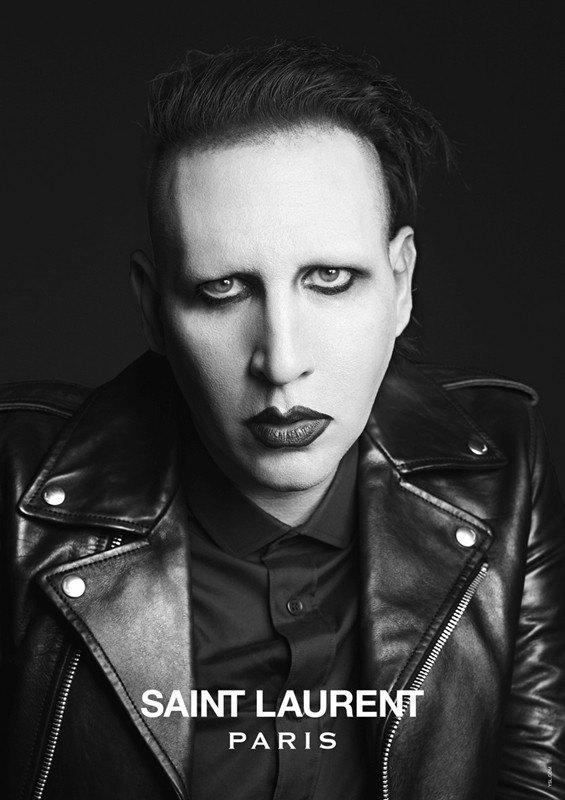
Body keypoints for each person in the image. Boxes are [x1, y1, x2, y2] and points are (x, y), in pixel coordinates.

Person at [2, 38, 564, 800]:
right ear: (154, 309)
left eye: (329, 278)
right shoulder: (17, 494)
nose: (281, 361)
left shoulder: (499, 468)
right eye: (222, 289)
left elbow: (535, 775)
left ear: (400, 283)